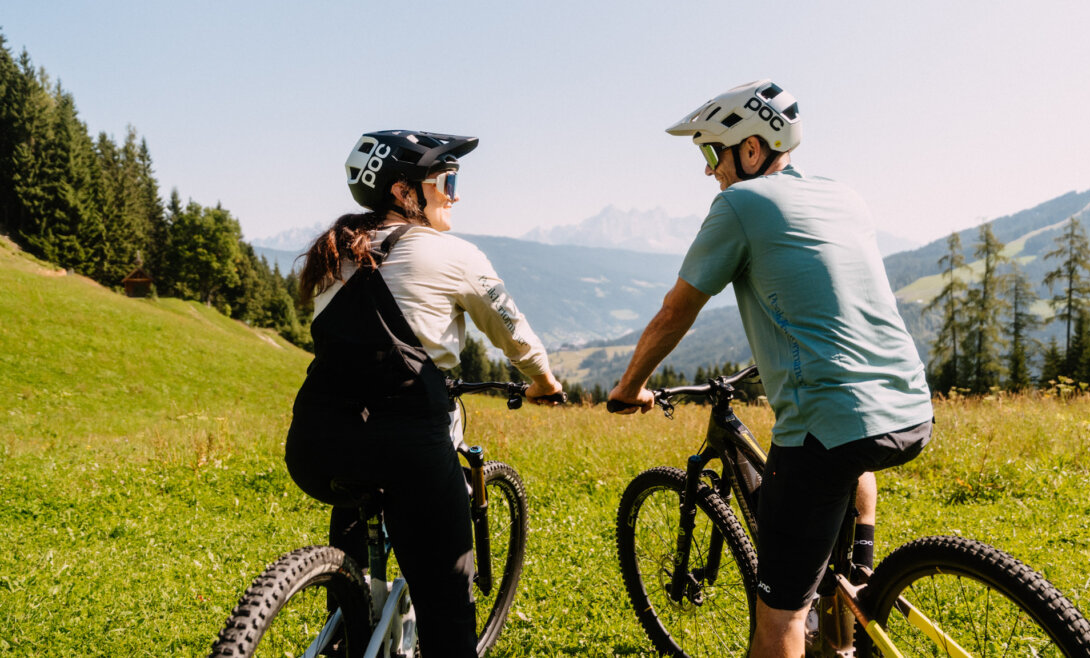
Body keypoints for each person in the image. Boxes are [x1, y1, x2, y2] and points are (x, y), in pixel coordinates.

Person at [608, 80, 933, 657]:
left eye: (712, 153)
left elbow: (676, 309)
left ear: (751, 149)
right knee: (846, 452)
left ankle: (815, 617)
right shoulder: (844, 196)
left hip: (827, 424)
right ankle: (855, 580)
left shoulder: (741, 204)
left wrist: (628, 386)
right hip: (908, 407)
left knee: (778, 618)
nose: (709, 171)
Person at [285, 129, 562, 656]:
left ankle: (348, 624)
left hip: (315, 442)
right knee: (448, 600)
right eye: (447, 180)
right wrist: (544, 382)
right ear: (403, 191)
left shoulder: (335, 254)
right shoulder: (452, 254)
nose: (455, 193)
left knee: (358, 494)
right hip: (407, 441)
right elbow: (514, 333)